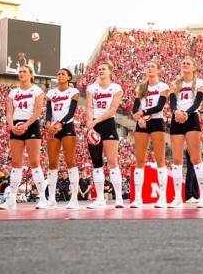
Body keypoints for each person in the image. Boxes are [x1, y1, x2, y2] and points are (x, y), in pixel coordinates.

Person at [0, 65, 46, 210]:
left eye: (24, 71)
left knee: (34, 161)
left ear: (31, 74)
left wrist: (26, 125)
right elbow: (9, 112)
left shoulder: (37, 90)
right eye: (20, 72)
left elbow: (37, 111)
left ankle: (42, 198)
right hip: (16, 126)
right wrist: (12, 126)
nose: (21, 74)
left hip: (31, 125)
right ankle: (11, 199)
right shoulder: (13, 92)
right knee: (16, 163)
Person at [129, 61, 170, 208]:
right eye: (148, 67)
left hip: (157, 121)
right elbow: (134, 108)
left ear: (158, 70)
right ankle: (138, 198)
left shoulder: (163, 86)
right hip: (142, 123)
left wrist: (143, 113)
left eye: (153, 67)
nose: (150, 69)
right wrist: (139, 118)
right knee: (140, 159)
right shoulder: (141, 87)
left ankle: (163, 198)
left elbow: (159, 106)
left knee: (160, 159)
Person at [167, 57, 203, 208]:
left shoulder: (200, 83)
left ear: (194, 67)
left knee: (195, 158)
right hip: (177, 118)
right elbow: (172, 101)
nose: (185, 65)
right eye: (183, 63)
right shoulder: (175, 83)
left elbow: (197, 102)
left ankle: (202, 196)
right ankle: (178, 197)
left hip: (191, 118)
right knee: (176, 160)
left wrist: (185, 113)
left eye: (188, 63)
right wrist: (176, 112)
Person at [84, 61, 124, 209]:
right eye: (99, 69)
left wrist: (95, 121)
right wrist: (90, 122)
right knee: (96, 163)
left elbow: (113, 110)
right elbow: (89, 106)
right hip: (93, 126)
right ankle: (100, 198)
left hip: (108, 124)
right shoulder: (91, 88)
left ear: (110, 71)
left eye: (104, 69)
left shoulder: (116, 88)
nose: (100, 71)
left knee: (113, 161)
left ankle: (118, 198)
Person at [44, 68, 80, 209]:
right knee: (52, 163)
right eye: (58, 74)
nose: (59, 76)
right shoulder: (51, 93)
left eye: (63, 74)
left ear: (69, 77)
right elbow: (48, 111)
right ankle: (51, 199)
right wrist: (48, 124)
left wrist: (61, 123)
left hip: (67, 126)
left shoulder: (74, 92)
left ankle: (74, 199)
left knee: (70, 160)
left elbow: (71, 112)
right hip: (53, 127)